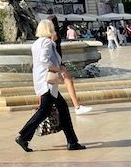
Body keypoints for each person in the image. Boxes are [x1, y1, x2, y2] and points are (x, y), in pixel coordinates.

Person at [15, 19, 86, 153]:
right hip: (48, 83)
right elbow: (44, 61)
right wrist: (59, 69)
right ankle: (23, 136)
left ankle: (72, 141)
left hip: (42, 81)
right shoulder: (47, 42)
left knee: (61, 109)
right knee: (44, 111)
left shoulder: (36, 43)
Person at [48, 15, 91, 115]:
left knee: (51, 86)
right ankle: (76, 107)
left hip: (54, 63)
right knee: (67, 82)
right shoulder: (53, 35)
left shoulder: (49, 34)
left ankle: (47, 108)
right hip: (55, 63)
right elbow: (53, 49)